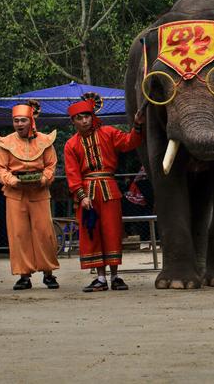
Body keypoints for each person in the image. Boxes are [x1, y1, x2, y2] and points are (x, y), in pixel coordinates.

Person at [64, 93, 145, 292]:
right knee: (92, 233)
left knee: (112, 231)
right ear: (73, 121)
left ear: (93, 116)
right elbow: (72, 174)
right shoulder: (70, 144)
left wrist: (137, 125)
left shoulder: (108, 133)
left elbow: (129, 143)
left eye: (87, 116)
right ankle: (100, 278)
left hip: (109, 189)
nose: (84, 120)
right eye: (79, 118)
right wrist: (81, 196)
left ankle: (115, 276)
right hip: (87, 193)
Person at [0, 101, 60, 290]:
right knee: (19, 234)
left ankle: (48, 273)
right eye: (16, 121)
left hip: (39, 191)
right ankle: (24, 275)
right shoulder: (6, 142)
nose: (19, 124)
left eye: (23, 120)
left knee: (45, 233)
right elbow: (0, 168)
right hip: (15, 193)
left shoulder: (45, 141)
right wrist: (11, 180)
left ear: (31, 121)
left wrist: (44, 178)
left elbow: (51, 165)